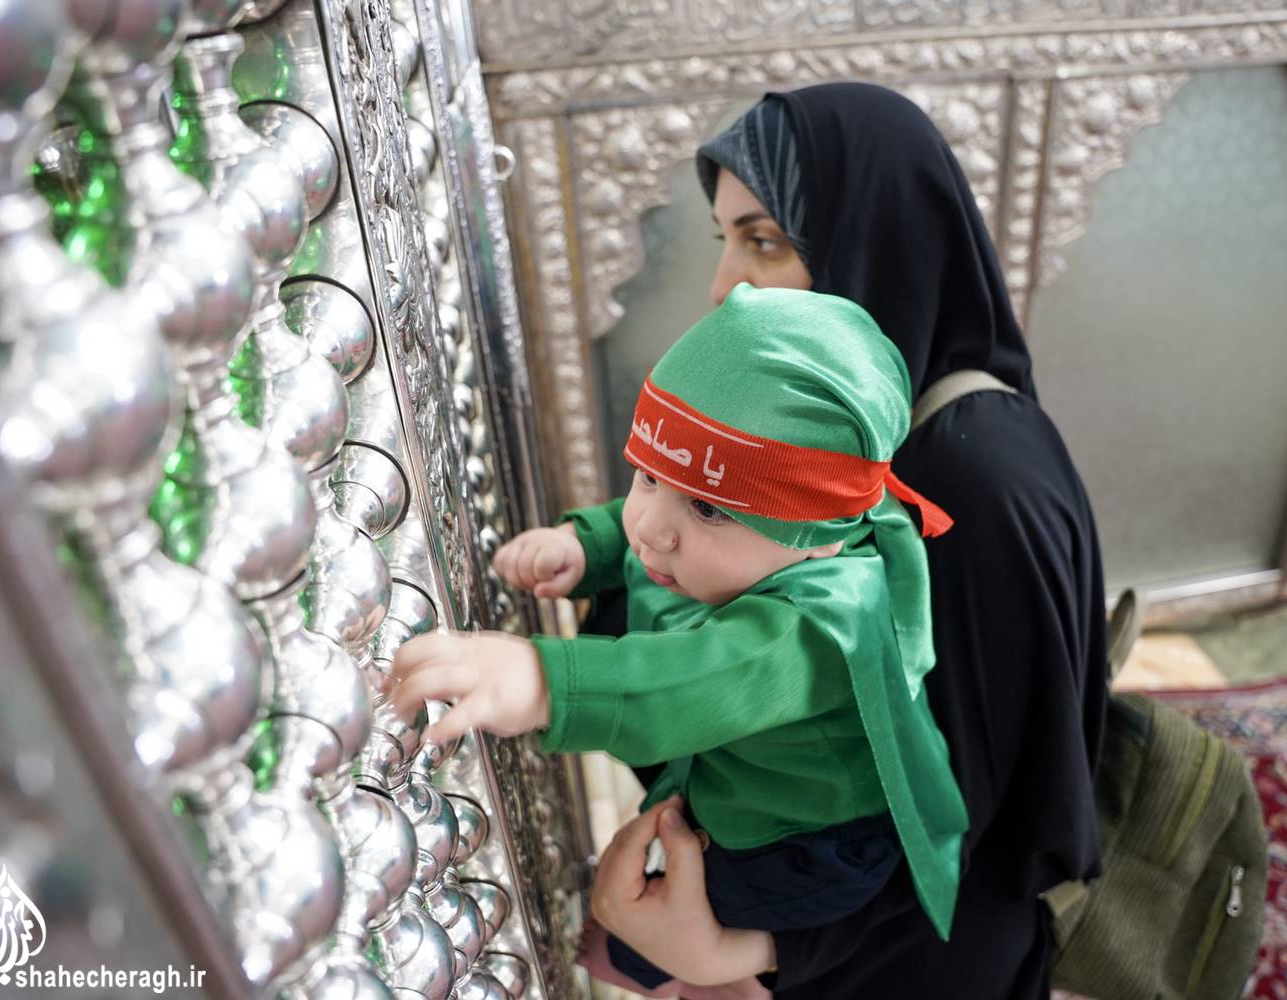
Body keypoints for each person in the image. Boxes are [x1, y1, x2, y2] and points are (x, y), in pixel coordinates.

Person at [584, 82, 1111, 999]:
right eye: (725, 240)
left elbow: (979, 817)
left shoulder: (973, 478)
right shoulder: (859, 443)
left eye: (766, 241)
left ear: (878, 242)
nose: (725, 287)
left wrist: (739, 955)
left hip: (915, 960)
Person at [389, 283, 969, 994]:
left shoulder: (819, 626)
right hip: (747, 780)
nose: (653, 529)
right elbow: (654, 521)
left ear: (815, 533)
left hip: (801, 849)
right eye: (647, 474)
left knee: (663, 932)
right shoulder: (763, 536)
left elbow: (687, 680)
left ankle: (687, 974)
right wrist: (588, 543)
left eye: (707, 509)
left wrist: (541, 680)